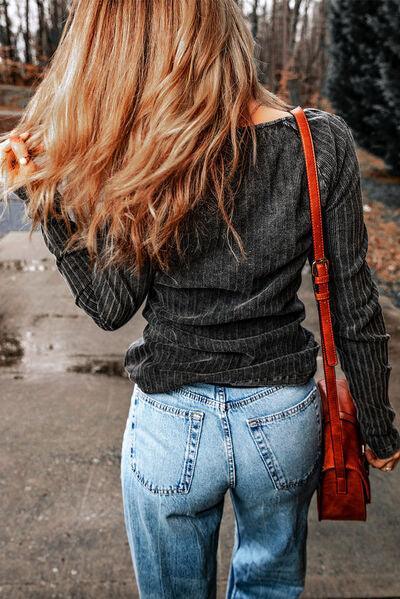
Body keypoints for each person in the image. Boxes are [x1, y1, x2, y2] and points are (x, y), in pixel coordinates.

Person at [1, 1, 399, 597]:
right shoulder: (320, 143)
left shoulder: (143, 151)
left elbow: (110, 306)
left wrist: (46, 200)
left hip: (170, 424)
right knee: (269, 584)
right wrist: (377, 427)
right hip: (283, 418)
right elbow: (354, 305)